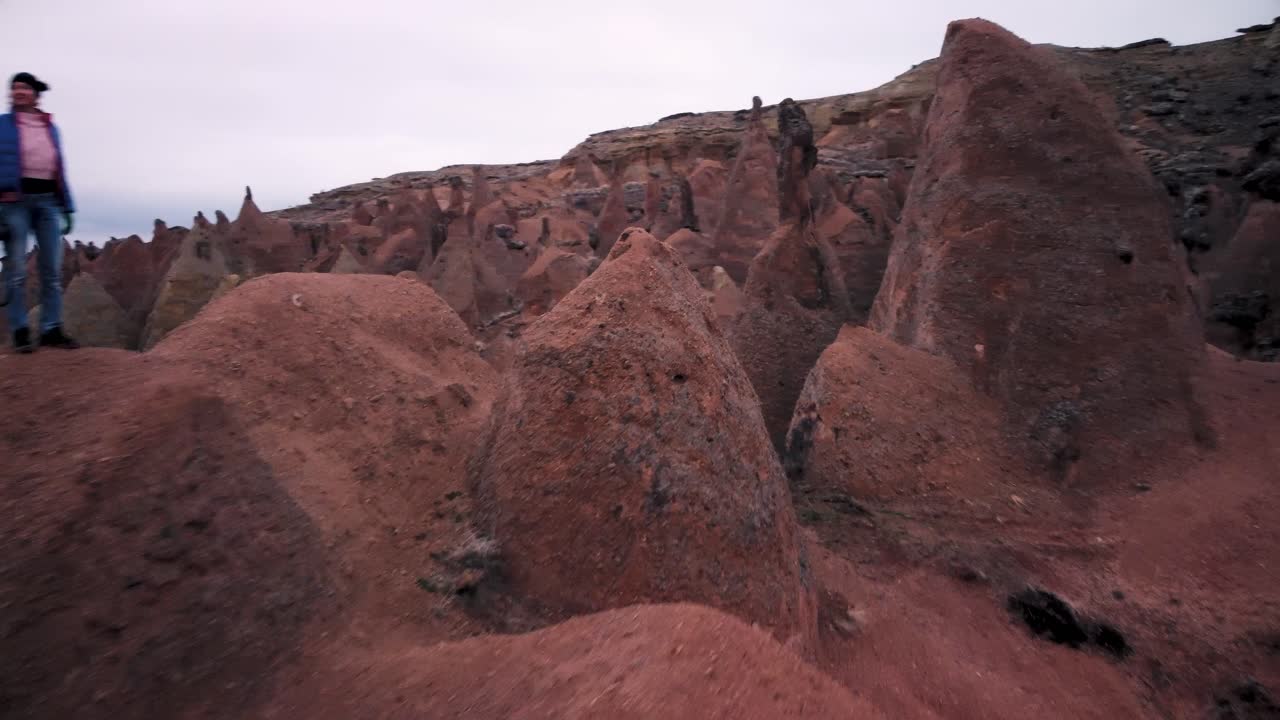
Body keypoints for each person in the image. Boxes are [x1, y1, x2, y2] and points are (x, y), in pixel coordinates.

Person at [0, 71, 78, 353]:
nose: (18, 92)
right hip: (13, 202)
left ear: (35, 94)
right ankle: (21, 330)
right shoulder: (2, 125)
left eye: (24, 88)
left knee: (51, 271)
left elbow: (59, 168)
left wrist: (67, 207)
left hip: (48, 201)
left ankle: (51, 329)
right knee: (17, 270)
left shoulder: (49, 127)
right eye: (14, 88)